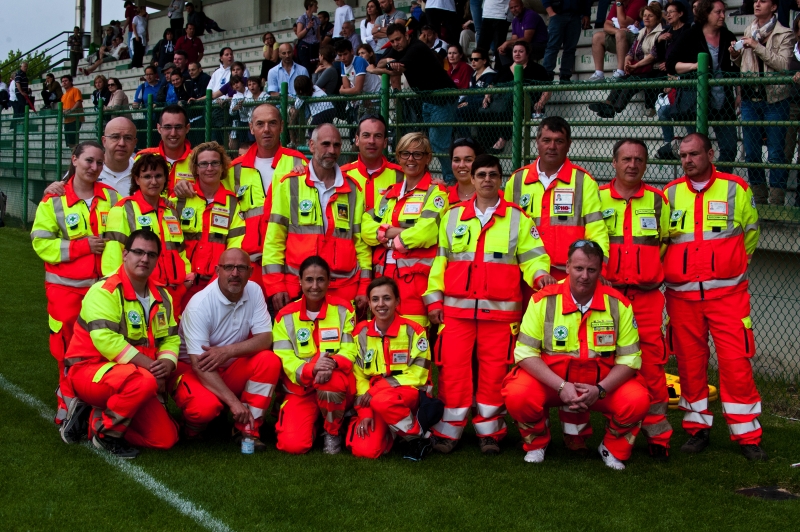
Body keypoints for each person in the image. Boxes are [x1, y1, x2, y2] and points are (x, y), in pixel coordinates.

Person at [424, 154, 551, 454]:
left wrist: (541, 275)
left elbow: (534, 258)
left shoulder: (518, 218)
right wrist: (434, 299)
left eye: (492, 175)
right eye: (481, 175)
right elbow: (441, 261)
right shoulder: (452, 216)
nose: (486, 180)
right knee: (452, 372)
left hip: (499, 315)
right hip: (456, 313)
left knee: (495, 374)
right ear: (472, 178)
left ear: (500, 179)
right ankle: (449, 431)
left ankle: (490, 434)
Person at [502, 239, 649, 469]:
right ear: (567, 266)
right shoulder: (542, 300)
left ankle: (612, 448)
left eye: (591, 270)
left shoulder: (618, 304)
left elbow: (630, 360)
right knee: (517, 394)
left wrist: (600, 390)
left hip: (600, 385)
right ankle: (538, 442)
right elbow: (525, 353)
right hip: (553, 383)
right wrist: (561, 387)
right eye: (579, 268)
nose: (585, 276)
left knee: (637, 400)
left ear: (600, 270)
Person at [663, 133, 765, 461]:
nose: (687, 160)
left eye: (694, 154)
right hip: (682, 298)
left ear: (710, 154)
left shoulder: (736, 188)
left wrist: (731, 266)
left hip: (728, 296)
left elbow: (751, 233)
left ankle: (747, 435)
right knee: (690, 365)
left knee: (736, 363)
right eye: (683, 156)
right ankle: (697, 429)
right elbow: (663, 241)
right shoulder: (669, 194)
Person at [62, 230, 180, 457]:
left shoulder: (163, 296)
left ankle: (92, 420)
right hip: (90, 372)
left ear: (157, 259)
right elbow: (106, 340)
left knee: (165, 438)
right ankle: (107, 435)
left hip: (135, 377)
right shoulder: (104, 291)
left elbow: (170, 337)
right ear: (125, 255)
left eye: (151, 254)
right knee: (142, 381)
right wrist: (151, 368)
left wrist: (166, 362)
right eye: (138, 252)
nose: (144, 259)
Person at [31, 141, 119, 427]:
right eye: (88, 161)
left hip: (103, 289)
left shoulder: (112, 197)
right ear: (74, 160)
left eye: (99, 163)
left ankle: (91, 400)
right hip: (65, 289)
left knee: (100, 347)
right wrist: (82, 247)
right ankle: (66, 403)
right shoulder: (54, 199)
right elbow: (41, 243)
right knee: (68, 350)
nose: (94, 167)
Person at [598, 139, 673, 460]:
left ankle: (658, 435)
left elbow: (665, 243)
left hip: (646, 298)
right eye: (626, 159)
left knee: (653, 365)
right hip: (609, 297)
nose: (632, 165)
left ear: (646, 164)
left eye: (639, 160)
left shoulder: (658, 200)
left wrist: (647, 271)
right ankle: (614, 426)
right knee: (605, 361)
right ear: (614, 163)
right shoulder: (597, 198)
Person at [171, 248, 282, 450]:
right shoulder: (199, 305)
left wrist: (227, 351)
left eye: (241, 268)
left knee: (269, 361)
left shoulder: (254, 290)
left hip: (229, 367)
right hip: (194, 371)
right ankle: (193, 428)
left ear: (250, 272)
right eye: (229, 267)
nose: (235, 273)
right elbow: (199, 365)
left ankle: (248, 429)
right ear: (217, 270)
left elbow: (265, 339)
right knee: (204, 408)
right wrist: (234, 403)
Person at [263, 124, 371, 311]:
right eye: (326, 144)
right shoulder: (290, 184)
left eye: (337, 145)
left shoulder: (354, 189)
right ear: (311, 146)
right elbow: (274, 239)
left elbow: (361, 244)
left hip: (342, 290)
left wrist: (364, 287)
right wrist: (276, 285)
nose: (332, 150)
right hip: (297, 288)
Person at [362, 132, 450, 326]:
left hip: (414, 287)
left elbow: (426, 232)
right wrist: (387, 233)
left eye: (417, 154)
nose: (411, 159)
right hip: (382, 282)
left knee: (412, 338)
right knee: (381, 337)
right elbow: (366, 226)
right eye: (405, 154)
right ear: (398, 157)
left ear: (428, 158)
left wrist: (387, 236)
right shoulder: (389, 194)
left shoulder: (435, 193)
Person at [271, 256, 357, 454]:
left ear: (329, 281)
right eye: (309, 280)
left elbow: (350, 349)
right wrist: (312, 369)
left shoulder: (344, 310)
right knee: (293, 445)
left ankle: (332, 432)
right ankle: (317, 421)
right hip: (301, 389)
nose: (315, 286)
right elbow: (285, 359)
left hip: (334, 382)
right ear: (300, 281)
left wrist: (332, 363)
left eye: (320, 280)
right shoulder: (285, 316)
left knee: (330, 383)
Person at [347, 277, 434, 460]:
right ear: (369, 303)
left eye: (387, 298)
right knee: (365, 451)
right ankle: (393, 431)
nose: (381, 304)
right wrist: (365, 411)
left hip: (408, 394)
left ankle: (418, 437)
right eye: (375, 299)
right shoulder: (360, 333)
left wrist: (379, 388)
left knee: (382, 400)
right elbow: (359, 376)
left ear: (397, 301)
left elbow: (418, 374)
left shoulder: (414, 331)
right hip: (373, 399)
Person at [227, 104, 309, 295]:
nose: (266, 129)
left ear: (281, 126)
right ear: (251, 127)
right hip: (249, 264)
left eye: (272, 123)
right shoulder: (235, 169)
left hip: (287, 262)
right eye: (260, 124)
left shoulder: (298, 162)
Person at [102, 153, 192, 313]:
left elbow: (179, 250)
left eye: (158, 176)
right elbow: (112, 256)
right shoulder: (123, 210)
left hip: (175, 292)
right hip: (140, 291)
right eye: (147, 176)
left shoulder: (170, 210)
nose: (154, 181)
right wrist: (120, 290)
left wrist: (187, 278)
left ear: (165, 179)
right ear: (137, 179)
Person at [372, 23, 458, 182]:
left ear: (407, 35)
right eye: (392, 41)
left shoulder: (416, 47)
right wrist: (389, 61)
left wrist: (381, 67)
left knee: (438, 143)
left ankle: (451, 180)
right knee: (429, 142)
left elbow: (396, 69)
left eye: (398, 39)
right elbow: (379, 63)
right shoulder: (397, 49)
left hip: (443, 98)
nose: (396, 44)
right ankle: (432, 178)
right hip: (427, 100)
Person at [730, 0, 794, 206]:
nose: (757, 4)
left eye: (763, 1)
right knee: (751, 153)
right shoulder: (749, 30)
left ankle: (776, 200)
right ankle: (759, 198)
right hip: (750, 99)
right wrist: (735, 55)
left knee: (776, 153)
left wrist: (756, 46)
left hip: (775, 99)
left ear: (774, 7)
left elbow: (784, 65)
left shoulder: (785, 33)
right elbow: (744, 64)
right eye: (755, 1)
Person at [171, 142, 245, 307]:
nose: (209, 168)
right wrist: (184, 278)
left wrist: (218, 282)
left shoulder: (233, 204)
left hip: (217, 286)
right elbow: (169, 243)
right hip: (182, 284)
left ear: (222, 167)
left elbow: (235, 247)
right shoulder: (179, 200)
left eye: (215, 163)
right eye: (203, 164)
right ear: (196, 168)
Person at [666, 0, 739, 163]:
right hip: (696, 101)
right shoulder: (690, 35)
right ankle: (701, 178)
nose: (722, 16)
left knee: (729, 149)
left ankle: (718, 177)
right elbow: (671, 64)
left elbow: (736, 70)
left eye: (724, 12)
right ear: (706, 13)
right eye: (718, 12)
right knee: (697, 151)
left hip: (724, 101)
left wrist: (736, 57)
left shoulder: (727, 36)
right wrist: (694, 66)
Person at [588, 4, 665, 118]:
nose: (646, 18)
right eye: (645, 15)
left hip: (652, 70)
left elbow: (652, 56)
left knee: (631, 81)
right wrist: (627, 62)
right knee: (621, 79)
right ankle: (608, 103)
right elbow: (631, 52)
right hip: (640, 69)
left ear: (657, 18)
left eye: (650, 16)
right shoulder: (641, 32)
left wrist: (635, 66)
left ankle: (614, 108)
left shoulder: (661, 33)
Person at [488, 42, 551, 153]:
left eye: (521, 51)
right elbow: (491, 85)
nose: (517, 54)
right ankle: (485, 144)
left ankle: (502, 139)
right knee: (482, 110)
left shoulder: (537, 69)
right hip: (500, 103)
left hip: (527, 104)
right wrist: (487, 95)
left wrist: (541, 102)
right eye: (515, 51)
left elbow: (548, 89)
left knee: (511, 99)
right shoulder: (504, 69)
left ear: (527, 54)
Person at [341, 114, 404, 211]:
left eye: (378, 136)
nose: (371, 141)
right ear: (357, 140)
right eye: (366, 135)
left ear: (385, 142)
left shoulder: (400, 175)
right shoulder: (342, 175)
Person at [135, 105, 193, 196]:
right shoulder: (142, 158)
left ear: (187, 128)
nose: (173, 133)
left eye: (178, 127)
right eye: (167, 127)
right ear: (159, 128)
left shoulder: (198, 160)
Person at [588, 0, 648, 81]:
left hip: (636, 40)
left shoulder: (638, 1)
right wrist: (616, 31)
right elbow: (606, 25)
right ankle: (599, 74)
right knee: (597, 37)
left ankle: (621, 72)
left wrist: (619, 4)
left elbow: (623, 23)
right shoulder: (618, 2)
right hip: (621, 36)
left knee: (620, 34)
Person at [542, 0, 593, 82]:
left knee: (570, 48)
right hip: (558, 14)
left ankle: (565, 75)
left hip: (575, 15)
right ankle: (546, 75)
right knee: (553, 46)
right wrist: (550, 12)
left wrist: (587, 14)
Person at [455, 48, 497, 142]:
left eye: (476, 59)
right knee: (452, 110)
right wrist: (464, 102)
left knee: (456, 112)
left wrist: (468, 103)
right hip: (471, 105)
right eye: (471, 59)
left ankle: (468, 141)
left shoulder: (491, 75)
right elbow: (470, 93)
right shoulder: (473, 74)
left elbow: (486, 96)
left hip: (483, 107)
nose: (473, 62)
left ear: (484, 61)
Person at [498, 0, 549, 64]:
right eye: (511, 8)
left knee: (520, 48)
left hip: (539, 46)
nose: (514, 9)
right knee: (504, 50)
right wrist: (505, 46)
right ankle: (509, 70)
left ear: (522, 6)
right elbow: (514, 39)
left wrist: (507, 42)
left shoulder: (530, 15)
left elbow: (527, 39)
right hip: (525, 46)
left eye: (516, 6)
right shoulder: (515, 21)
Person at [445, 137, 483, 204]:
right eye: (457, 160)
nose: (461, 165)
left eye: (468, 160)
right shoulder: (443, 195)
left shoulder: (494, 197)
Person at [478, 0, 512, 67]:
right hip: (487, 13)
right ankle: (483, 69)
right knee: (481, 48)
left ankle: (499, 70)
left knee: (499, 48)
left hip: (501, 14)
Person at [296, 0, 322, 72]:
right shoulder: (302, 18)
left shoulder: (316, 19)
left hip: (315, 46)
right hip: (305, 46)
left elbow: (318, 35)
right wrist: (307, 27)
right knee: (306, 67)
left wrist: (321, 46)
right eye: (315, 6)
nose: (317, 7)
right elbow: (299, 35)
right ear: (309, 7)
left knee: (315, 67)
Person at [61, 75, 84, 151]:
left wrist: (71, 110)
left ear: (71, 81)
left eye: (66, 81)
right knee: (69, 142)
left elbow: (78, 102)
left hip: (75, 119)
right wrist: (64, 111)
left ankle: (76, 156)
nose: (64, 83)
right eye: (63, 81)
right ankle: (74, 155)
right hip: (67, 120)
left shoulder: (75, 90)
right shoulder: (63, 95)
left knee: (74, 141)